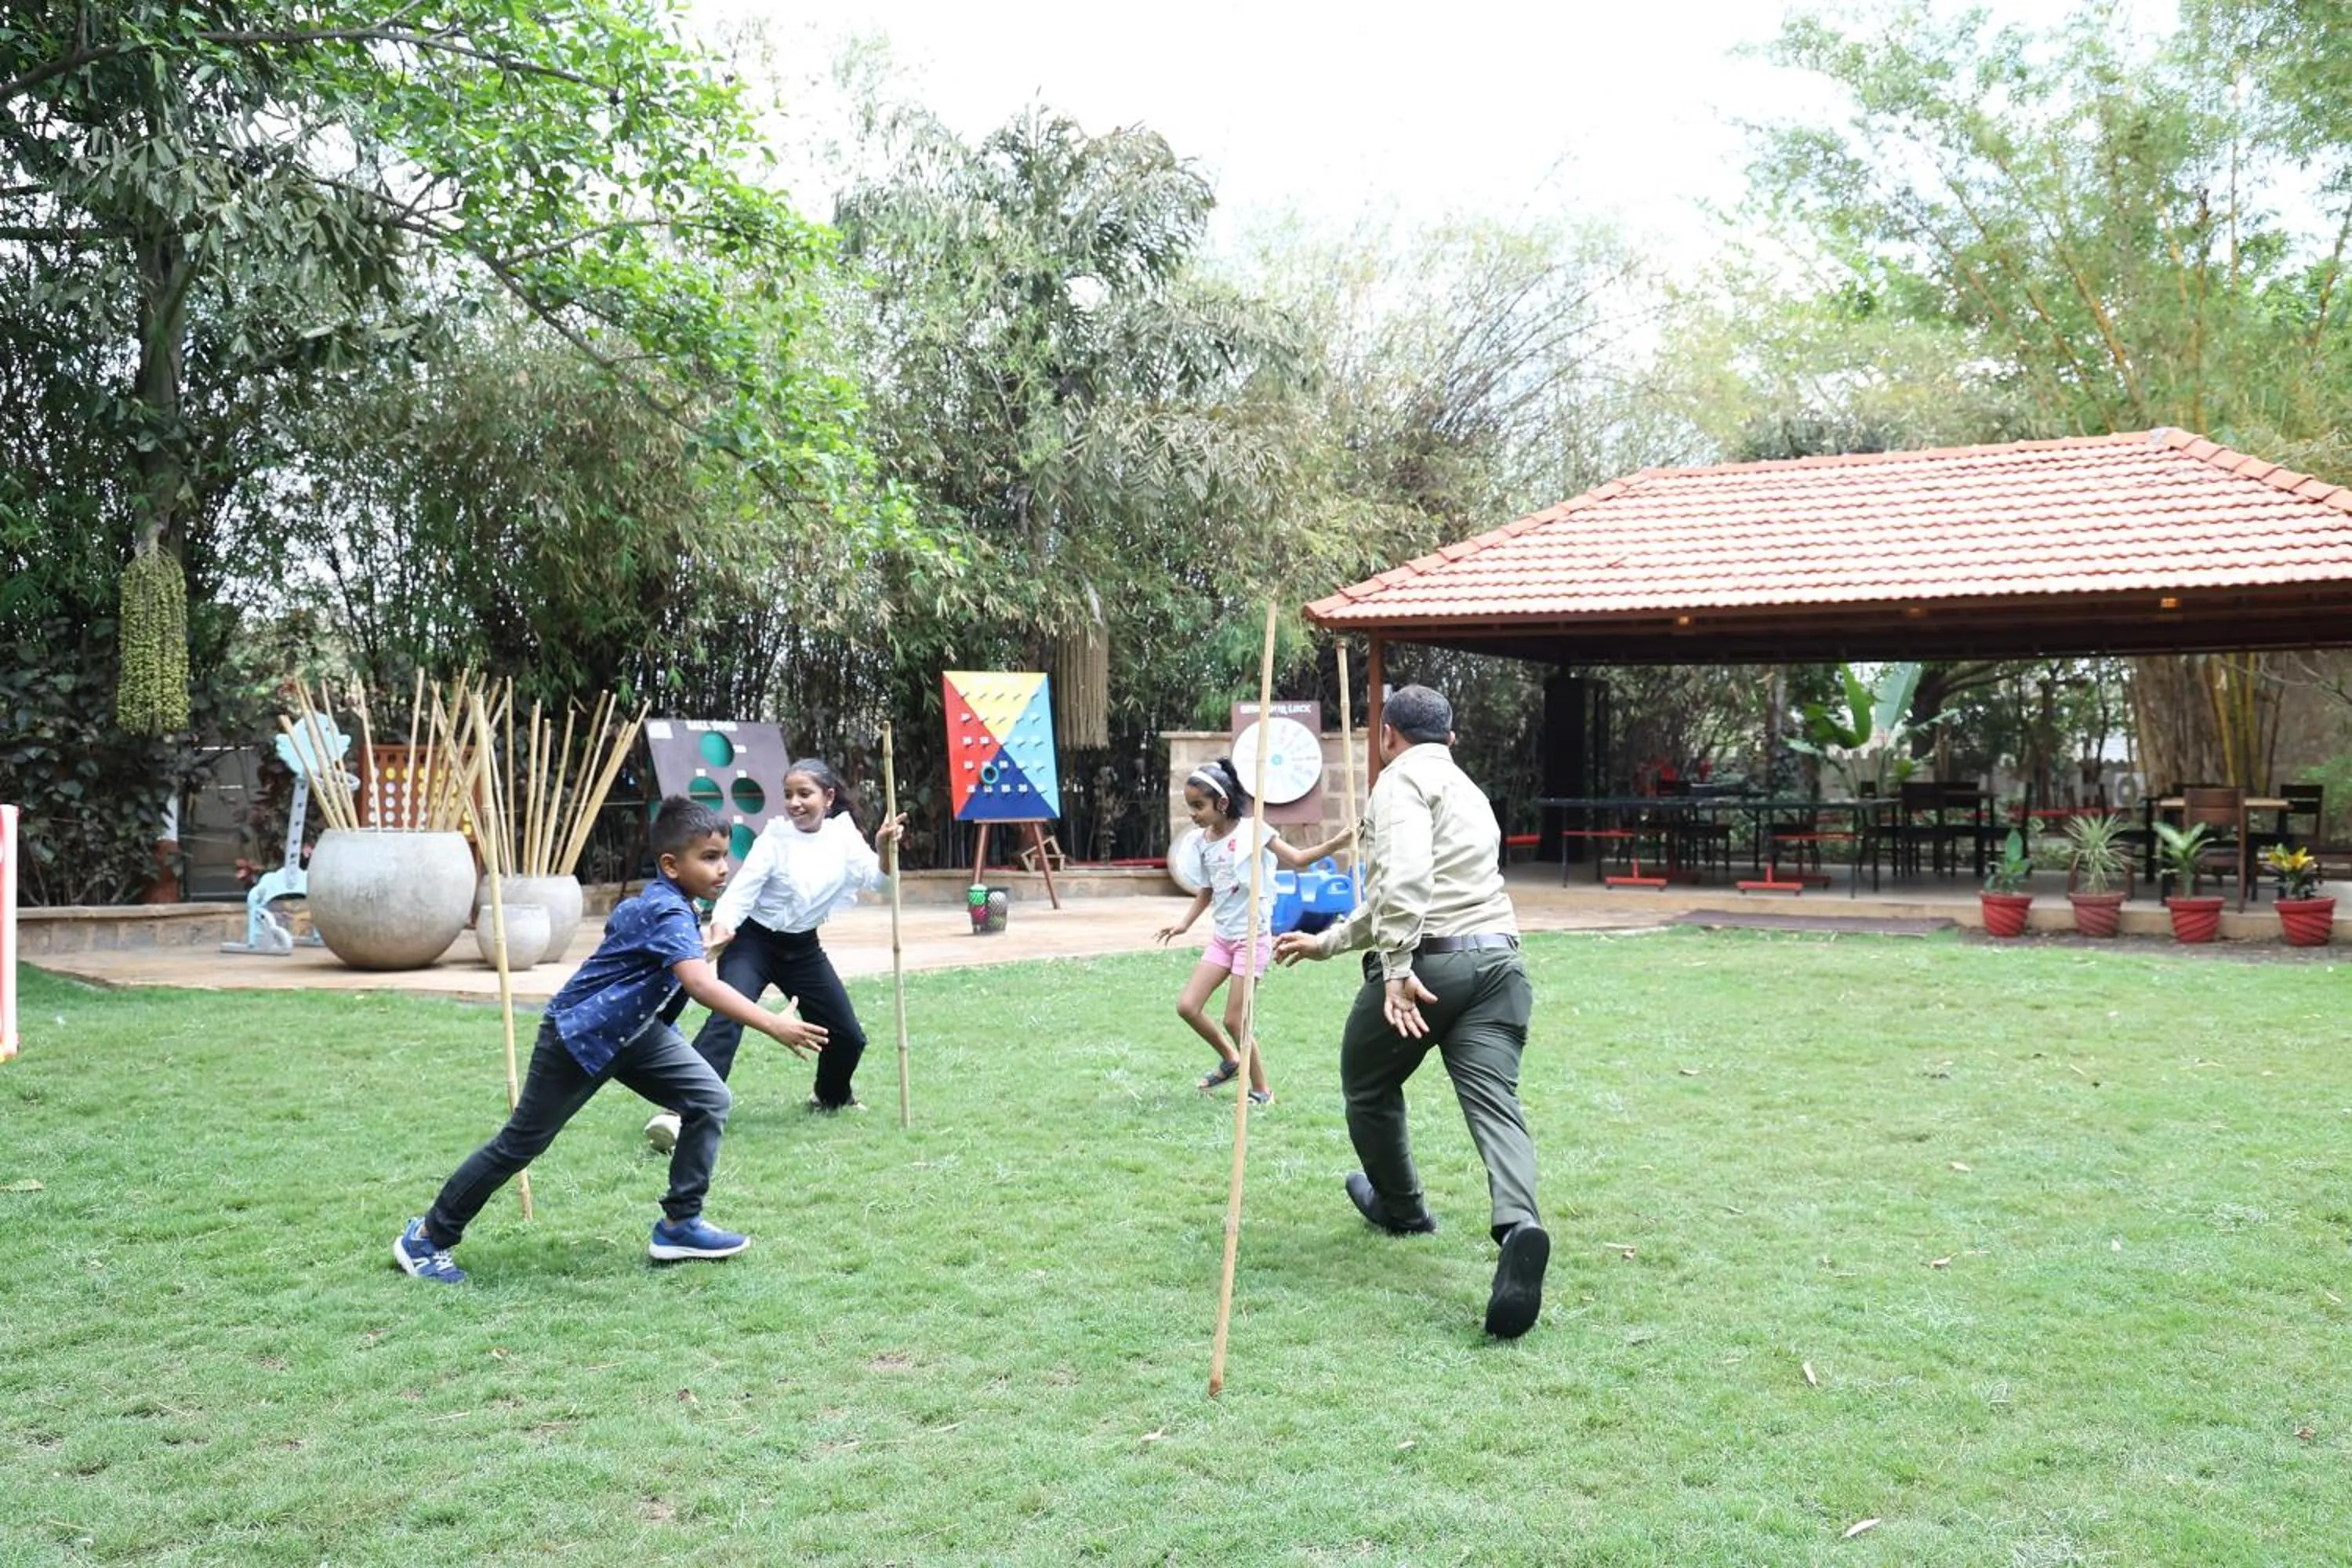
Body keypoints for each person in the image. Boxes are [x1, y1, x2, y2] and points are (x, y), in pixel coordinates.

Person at [393, 796, 824, 1284]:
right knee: (520, 1145)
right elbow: (701, 986)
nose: (722, 868)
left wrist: (700, 948)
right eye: (709, 857)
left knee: (709, 1099)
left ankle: (680, 1225)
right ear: (670, 864)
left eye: (724, 856)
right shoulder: (666, 911)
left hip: (636, 1032)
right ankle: (426, 1238)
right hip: (581, 1038)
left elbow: (643, 944)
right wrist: (774, 1024)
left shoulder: (669, 906)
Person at [1272, 685, 1550, 1339]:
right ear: (1450, 740)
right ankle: (1519, 1225)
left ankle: (1402, 1209)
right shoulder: (1470, 792)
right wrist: (1330, 941)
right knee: (1494, 1103)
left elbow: (1405, 885)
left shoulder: (1398, 784)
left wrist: (1396, 971)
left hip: (1431, 966)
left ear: (1388, 736)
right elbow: (1409, 889)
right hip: (1501, 963)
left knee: (1366, 1083)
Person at [644, 757, 904, 1149]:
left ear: (828, 797)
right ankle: (678, 1111)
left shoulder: (844, 838)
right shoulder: (775, 839)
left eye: (805, 794)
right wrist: (719, 934)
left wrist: (885, 849)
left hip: (803, 948)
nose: (795, 803)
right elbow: (739, 894)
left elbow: (881, 884)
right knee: (727, 1019)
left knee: (848, 1036)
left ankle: (831, 1096)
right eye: (788, 795)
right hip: (752, 942)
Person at [1154, 757, 1352, 1106]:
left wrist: (1339, 842)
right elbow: (1207, 889)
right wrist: (1184, 924)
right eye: (1190, 806)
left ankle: (1262, 1090)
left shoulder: (1254, 831)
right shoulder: (1202, 842)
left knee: (1235, 1018)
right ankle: (1231, 1060)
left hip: (1251, 939)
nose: (1193, 814)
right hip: (1223, 938)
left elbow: (1300, 858)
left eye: (1198, 806)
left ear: (1223, 803)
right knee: (1187, 1006)